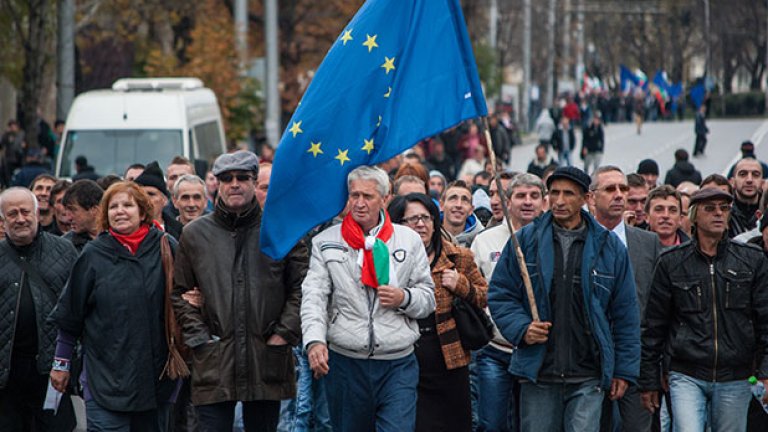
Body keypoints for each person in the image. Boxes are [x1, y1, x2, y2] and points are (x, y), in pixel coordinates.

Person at [488, 166, 640, 432]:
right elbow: (501, 294)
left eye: (568, 194)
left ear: (586, 198)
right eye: (554, 193)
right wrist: (523, 328)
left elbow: (625, 313)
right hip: (539, 372)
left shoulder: (610, 247)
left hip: (589, 373)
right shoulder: (525, 241)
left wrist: (623, 370)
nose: (559, 200)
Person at [172, 151, 307, 432]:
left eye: (242, 178)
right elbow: (180, 294)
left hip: (266, 357)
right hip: (214, 358)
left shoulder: (279, 230)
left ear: (254, 182)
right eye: (227, 178)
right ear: (217, 185)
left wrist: (283, 333)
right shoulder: (195, 234)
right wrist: (200, 338)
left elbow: (301, 286)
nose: (234, 184)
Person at [301, 165, 435, 432]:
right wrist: (314, 341)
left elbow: (428, 298)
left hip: (397, 363)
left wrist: (403, 298)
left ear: (385, 199)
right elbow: (314, 296)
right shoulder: (325, 242)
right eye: (354, 195)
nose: (359, 203)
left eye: (368, 196)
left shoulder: (408, 240)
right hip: (346, 363)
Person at [50, 181, 179, 431]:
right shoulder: (93, 254)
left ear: (142, 212)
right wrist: (61, 363)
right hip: (104, 377)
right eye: (113, 206)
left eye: (127, 205)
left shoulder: (166, 246)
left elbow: (186, 296)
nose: (120, 211)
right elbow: (70, 315)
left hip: (156, 380)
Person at [640, 188, 768, 432]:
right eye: (710, 208)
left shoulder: (752, 259)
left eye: (724, 208)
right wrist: (649, 380)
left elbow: (765, 319)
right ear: (694, 216)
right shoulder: (671, 262)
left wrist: (765, 370)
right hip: (686, 372)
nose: (718, 213)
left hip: (737, 374)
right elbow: (654, 325)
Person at [388, 193, 487, 432]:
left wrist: (461, 284)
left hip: (449, 356)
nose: (421, 224)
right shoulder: (388, 258)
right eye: (412, 219)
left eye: (426, 217)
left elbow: (485, 296)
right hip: (404, 355)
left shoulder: (458, 257)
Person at [471, 173, 546, 432]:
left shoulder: (554, 239)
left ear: (543, 201)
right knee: (492, 424)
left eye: (534, 196)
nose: (527, 202)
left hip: (538, 353)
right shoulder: (485, 241)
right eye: (520, 196)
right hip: (495, 350)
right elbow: (475, 292)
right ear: (508, 201)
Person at [0, 187, 78, 431]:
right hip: (7, 373)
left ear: (36, 213)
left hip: (51, 369)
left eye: (25, 211)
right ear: (2, 220)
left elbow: (78, 306)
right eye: (12, 214)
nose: (20, 219)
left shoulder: (64, 251)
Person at [589, 166, 660, 432]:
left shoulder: (648, 242)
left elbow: (657, 307)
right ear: (591, 197)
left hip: (637, 358)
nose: (619, 195)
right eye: (610, 189)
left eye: (623, 189)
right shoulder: (579, 241)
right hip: (590, 361)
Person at [134, 161, 184, 240]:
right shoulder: (126, 230)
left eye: (151, 194)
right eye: (140, 194)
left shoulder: (180, 232)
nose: (145, 198)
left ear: (164, 200)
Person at [62, 179, 104, 252]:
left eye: (73, 210)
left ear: (94, 210)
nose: (68, 218)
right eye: (67, 210)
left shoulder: (119, 239)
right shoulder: (64, 247)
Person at [441, 180, 484, 247]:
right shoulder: (429, 236)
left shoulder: (482, 241)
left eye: (465, 200)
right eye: (453, 199)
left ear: (471, 210)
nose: (459, 205)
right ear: (441, 205)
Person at [729, 157, 763, 238]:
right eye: (743, 174)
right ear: (733, 182)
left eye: (755, 175)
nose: (749, 180)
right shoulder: (724, 211)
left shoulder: (766, 211)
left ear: (762, 182)